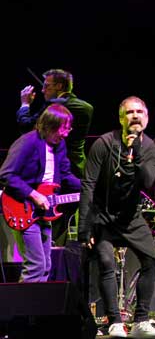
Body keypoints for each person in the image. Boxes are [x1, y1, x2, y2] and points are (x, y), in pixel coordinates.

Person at [78, 96, 155, 338]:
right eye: (129, 112)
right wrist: (85, 226)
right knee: (106, 262)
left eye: (140, 111)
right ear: (121, 118)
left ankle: (141, 321)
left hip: (131, 217)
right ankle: (115, 322)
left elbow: (147, 181)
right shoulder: (104, 144)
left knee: (151, 260)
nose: (135, 115)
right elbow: (88, 184)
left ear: (147, 118)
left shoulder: (152, 150)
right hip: (103, 214)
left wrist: (136, 151)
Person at [0, 104, 80, 282]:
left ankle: (37, 300)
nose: (66, 133)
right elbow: (6, 174)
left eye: (68, 128)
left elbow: (65, 175)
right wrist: (34, 195)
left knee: (45, 267)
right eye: (63, 128)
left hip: (44, 211)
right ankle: (22, 301)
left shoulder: (59, 145)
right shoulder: (27, 142)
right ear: (49, 126)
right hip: (22, 208)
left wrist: (88, 186)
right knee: (35, 266)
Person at [18, 69, 94, 247]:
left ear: (59, 86)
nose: (43, 90)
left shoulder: (54, 107)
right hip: (77, 169)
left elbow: (26, 127)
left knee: (49, 221)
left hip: (54, 173)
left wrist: (25, 105)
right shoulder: (86, 107)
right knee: (68, 221)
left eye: (47, 86)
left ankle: (51, 254)